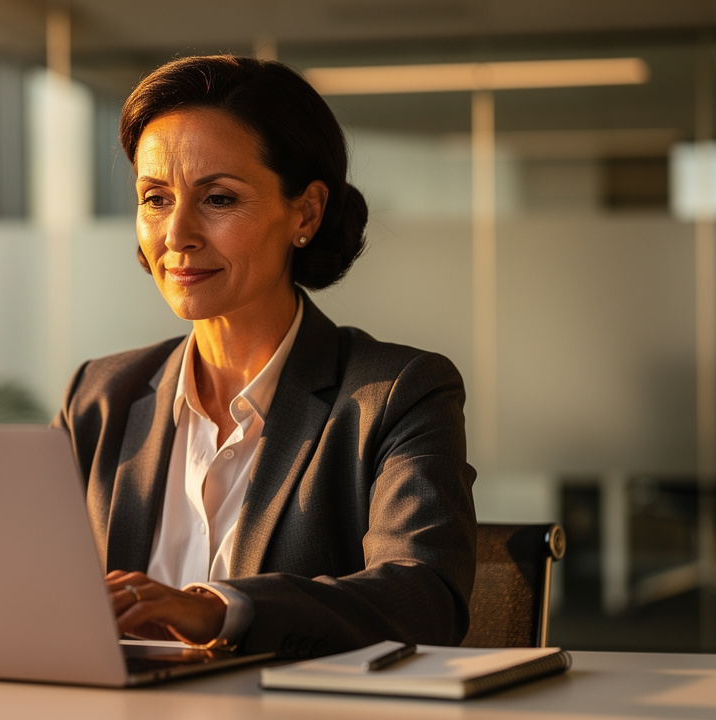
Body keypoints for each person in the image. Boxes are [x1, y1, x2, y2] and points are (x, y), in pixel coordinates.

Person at [54, 55, 476, 659]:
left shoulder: (398, 393)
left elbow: (425, 597)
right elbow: (20, 586)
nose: (176, 235)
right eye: (155, 198)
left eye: (218, 199)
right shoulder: (97, 396)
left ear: (304, 212)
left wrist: (220, 609)